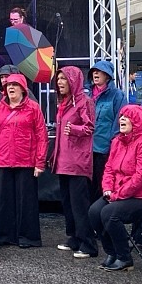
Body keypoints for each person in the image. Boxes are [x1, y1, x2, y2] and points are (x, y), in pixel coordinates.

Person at [87, 104, 142, 271]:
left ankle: (124, 257)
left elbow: (141, 177)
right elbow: (109, 169)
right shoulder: (117, 141)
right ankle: (111, 253)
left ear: (136, 121)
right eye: (121, 116)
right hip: (118, 192)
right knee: (94, 212)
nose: (121, 119)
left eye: (126, 117)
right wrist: (107, 188)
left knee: (109, 213)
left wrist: (117, 195)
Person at [0, 73, 47, 247]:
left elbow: (41, 136)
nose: (10, 88)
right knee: (5, 201)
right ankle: (5, 235)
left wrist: (39, 162)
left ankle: (28, 237)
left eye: (14, 85)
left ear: (23, 88)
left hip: (26, 161)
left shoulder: (34, 108)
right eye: (8, 86)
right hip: (4, 161)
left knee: (26, 202)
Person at [49, 67, 97, 257]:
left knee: (80, 205)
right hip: (63, 161)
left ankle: (88, 243)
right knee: (68, 204)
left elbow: (90, 127)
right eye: (58, 79)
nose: (60, 82)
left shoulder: (84, 102)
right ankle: (75, 237)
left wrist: (74, 129)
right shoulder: (64, 104)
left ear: (73, 81)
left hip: (77, 163)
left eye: (64, 79)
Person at [88, 60, 126, 199]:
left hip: (105, 149)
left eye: (100, 71)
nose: (95, 73)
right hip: (86, 149)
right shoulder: (87, 94)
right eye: (94, 71)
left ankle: (101, 215)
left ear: (108, 76)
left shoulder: (117, 95)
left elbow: (120, 121)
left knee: (102, 184)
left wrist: (113, 144)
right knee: (88, 186)